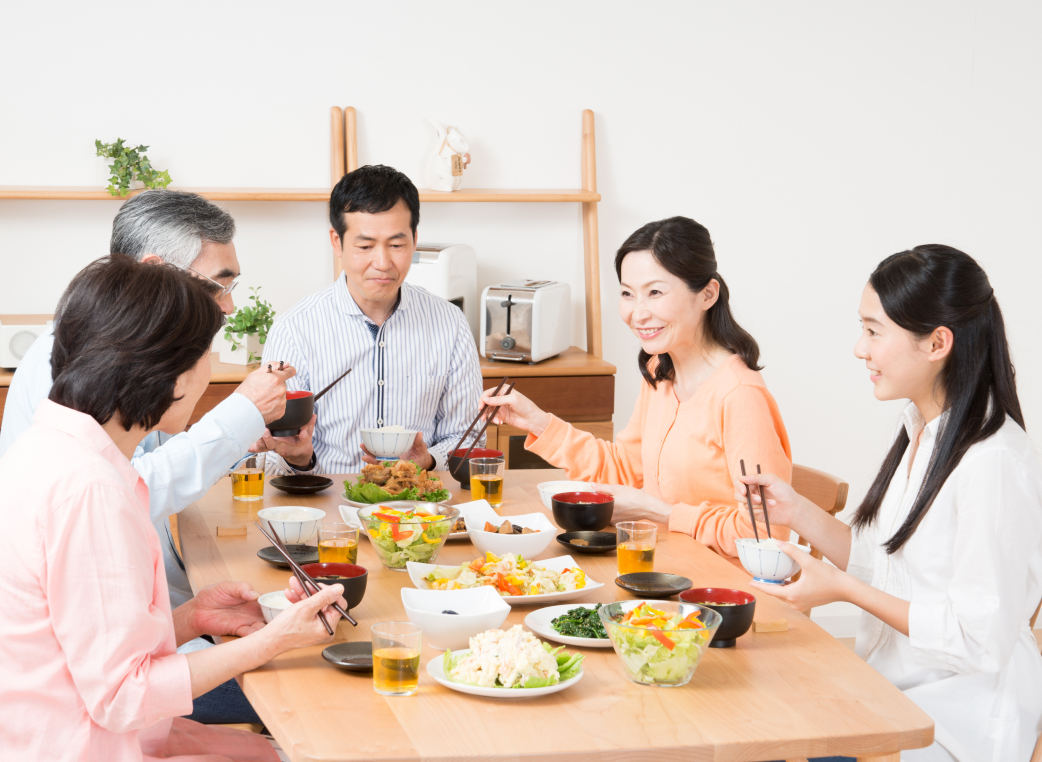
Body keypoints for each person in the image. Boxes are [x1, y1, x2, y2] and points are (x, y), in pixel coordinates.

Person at [0, 255, 346, 761]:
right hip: (84, 745)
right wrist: (276, 639)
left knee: (277, 751)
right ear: (170, 373)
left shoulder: (51, 447)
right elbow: (123, 696)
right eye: (208, 351)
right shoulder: (89, 488)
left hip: (72, 730)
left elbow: (83, 640)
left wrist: (191, 617)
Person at [737, 246, 1042, 761]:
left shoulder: (994, 462)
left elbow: (976, 638)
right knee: (755, 717)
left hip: (955, 721)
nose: (861, 348)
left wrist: (845, 591)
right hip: (890, 691)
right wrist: (797, 513)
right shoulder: (922, 430)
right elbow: (885, 561)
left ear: (937, 343)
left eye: (874, 331)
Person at [482, 216, 790, 562]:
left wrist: (660, 511)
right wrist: (538, 422)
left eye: (655, 292)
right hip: (659, 565)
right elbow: (625, 469)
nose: (637, 313)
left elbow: (765, 535)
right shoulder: (661, 370)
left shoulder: (739, 396)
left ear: (707, 294)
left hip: (721, 594)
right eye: (627, 294)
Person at [260, 165, 483, 474]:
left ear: (415, 240)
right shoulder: (295, 330)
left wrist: (428, 462)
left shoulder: (450, 324)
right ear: (336, 242)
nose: (382, 263)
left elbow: (467, 438)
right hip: (328, 510)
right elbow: (271, 459)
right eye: (365, 246)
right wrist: (298, 458)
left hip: (419, 510)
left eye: (396, 245)